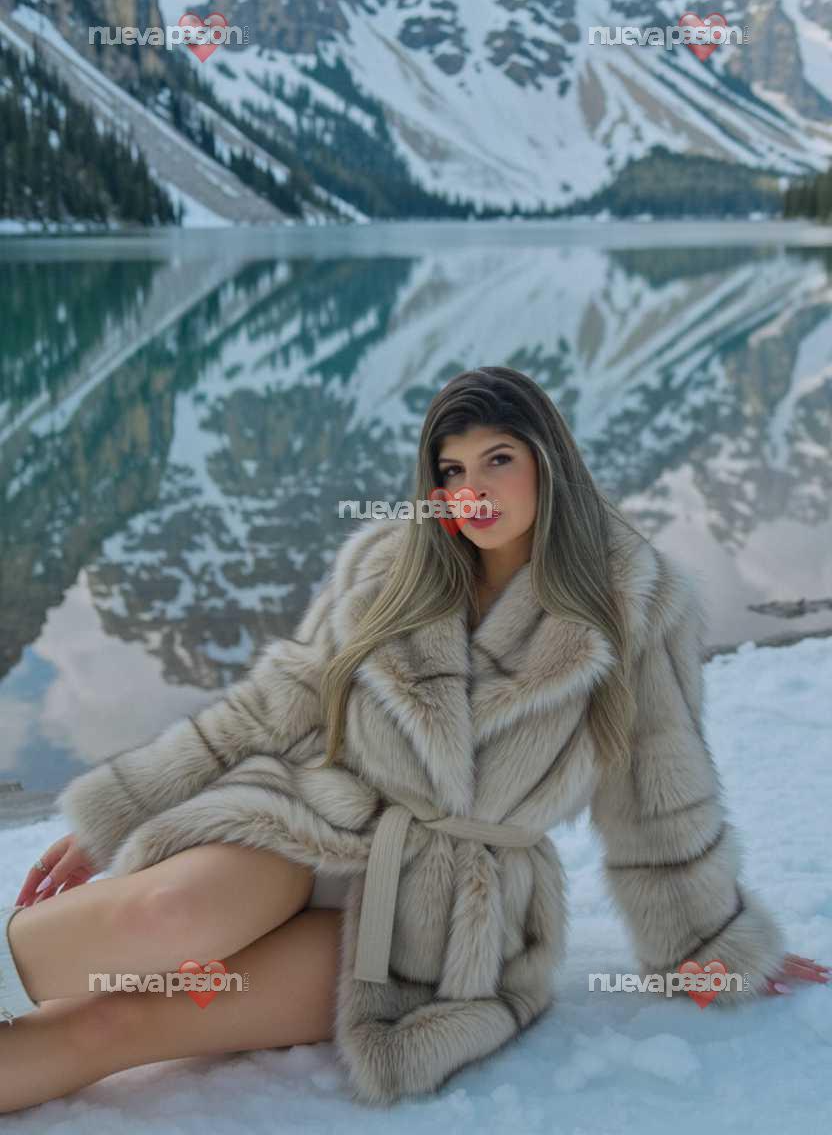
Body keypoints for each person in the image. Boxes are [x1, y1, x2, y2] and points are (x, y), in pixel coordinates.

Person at [1, 366, 828, 1113]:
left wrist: (710, 945)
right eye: (452, 470)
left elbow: (658, 794)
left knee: (114, 1020)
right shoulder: (388, 566)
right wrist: (119, 811)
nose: (473, 490)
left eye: (498, 459)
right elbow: (272, 705)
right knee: (163, 912)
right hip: (309, 821)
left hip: (448, 913)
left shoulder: (634, 604)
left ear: (549, 462)